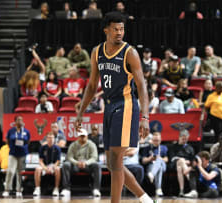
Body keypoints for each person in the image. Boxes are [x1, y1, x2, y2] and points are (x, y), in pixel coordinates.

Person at [74, 12, 154, 203]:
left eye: (122, 29)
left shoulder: (130, 52)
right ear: (106, 30)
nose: (120, 32)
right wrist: (81, 111)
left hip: (126, 105)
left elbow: (142, 86)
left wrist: (145, 117)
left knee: (117, 160)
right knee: (111, 163)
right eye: (116, 29)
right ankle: (144, 198)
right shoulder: (97, 52)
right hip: (109, 107)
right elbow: (92, 86)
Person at [60, 129, 101, 197]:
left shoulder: (92, 144)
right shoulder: (73, 145)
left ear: (87, 136)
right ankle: (66, 189)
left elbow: (94, 157)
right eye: (80, 136)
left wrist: (86, 163)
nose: (82, 138)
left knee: (97, 165)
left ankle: (96, 189)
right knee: (66, 165)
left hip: (87, 165)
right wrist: (77, 163)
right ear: (78, 137)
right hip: (75, 165)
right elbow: (69, 157)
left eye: (84, 136)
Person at [2, 115, 31, 197]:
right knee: (10, 171)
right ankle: (7, 189)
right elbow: (7, 141)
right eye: (18, 120)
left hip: (22, 154)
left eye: (21, 120)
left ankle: (19, 190)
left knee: (20, 172)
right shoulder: (11, 131)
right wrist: (12, 147)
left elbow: (28, 141)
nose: (20, 121)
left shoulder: (26, 131)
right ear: (15, 122)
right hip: (13, 153)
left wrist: (22, 147)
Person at [33, 132, 61, 197]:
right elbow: (40, 160)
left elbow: (58, 161)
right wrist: (45, 168)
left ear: (54, 139)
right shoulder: (42, 148)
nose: (50, 139)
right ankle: (37, 188)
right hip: (44, 166)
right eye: (49, 138)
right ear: (46, 139)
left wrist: (53, 167)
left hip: (53, 166)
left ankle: (56, 189)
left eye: (52, 138)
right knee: (38, 168)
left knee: (58, 169)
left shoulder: (57, 148)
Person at [168, 129, 195, 196]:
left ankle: (181, 191)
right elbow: (172, 158)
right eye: (183, 139)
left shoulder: (190, 148)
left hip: (185, 165)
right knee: (180, 161)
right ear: (179, 137)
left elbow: (192, 160)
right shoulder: (173, 147)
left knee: (180, 167)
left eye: (186, 139)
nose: (184, 141)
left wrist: (185, 161)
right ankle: (193, 187)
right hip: (174, 164)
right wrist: (181, 160)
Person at [140, 132, 168, 197]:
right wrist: (150, 159)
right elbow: (143, 161)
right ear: (152, 140)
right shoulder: (147, 148)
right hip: (151, 165)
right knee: (159, 168)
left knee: (159, 161)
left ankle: (152, 174)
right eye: (154, 140)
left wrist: (159, 158)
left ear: (160, 140)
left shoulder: (164, 147)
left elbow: (166, 159)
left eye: (157, 140)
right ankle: (158, 189)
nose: (156, 142)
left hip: (162, 164)